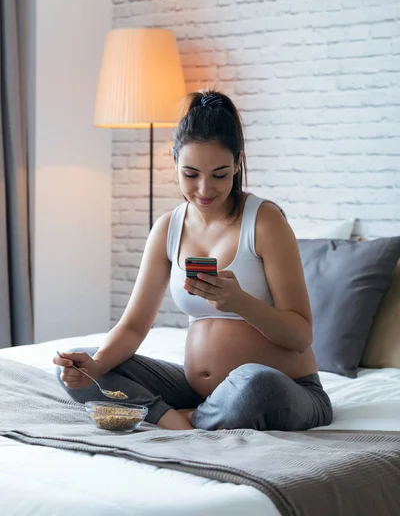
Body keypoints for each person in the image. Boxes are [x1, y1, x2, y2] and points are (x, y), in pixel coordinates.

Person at [54, 90, 333, 432]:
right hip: (197, 392)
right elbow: (133, 327)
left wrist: (239, 302)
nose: (204, 189)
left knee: (254, 381)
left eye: (219, 174)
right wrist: (93, 366)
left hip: (283, 390)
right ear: (174, 164)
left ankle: (179, 421)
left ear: (238, 163)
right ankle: (179, 421)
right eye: (190, 174)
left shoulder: (265, 222)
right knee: (75, 367)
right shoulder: (168, 228)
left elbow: (300, 335)